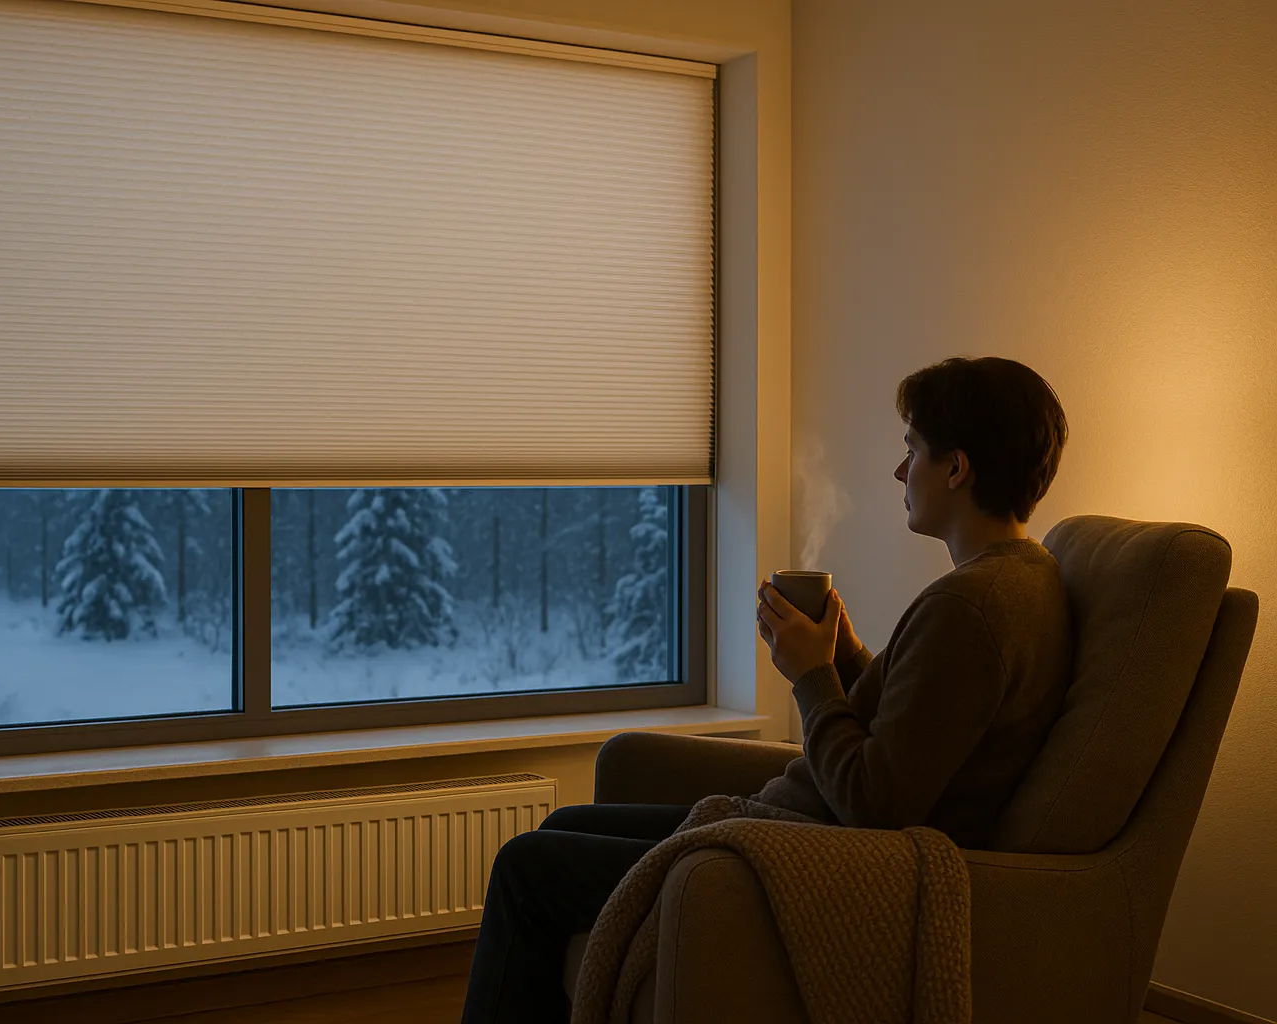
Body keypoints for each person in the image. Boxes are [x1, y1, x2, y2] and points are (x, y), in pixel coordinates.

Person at [459, 356, 1073, 1023]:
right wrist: (843, 654)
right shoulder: (1022, 580)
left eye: (912, 450)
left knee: (526, 867)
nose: (901, 472)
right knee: (566, 826)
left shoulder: (969, 606)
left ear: (956, 468)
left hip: (808, 849)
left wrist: (810, 678)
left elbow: (878, 798)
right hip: (797, 820)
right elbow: (920, 722)